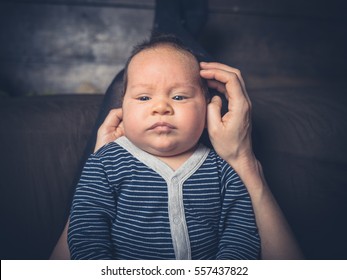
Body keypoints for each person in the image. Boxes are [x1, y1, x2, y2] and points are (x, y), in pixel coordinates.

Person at [67, 35, 261, 260]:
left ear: (208, 108)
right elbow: (85, 235)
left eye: (179, 96)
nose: (161, 107)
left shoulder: (223, 170)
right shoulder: (105, 163)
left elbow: (241, 236)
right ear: (122, 109)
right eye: (144, 97)